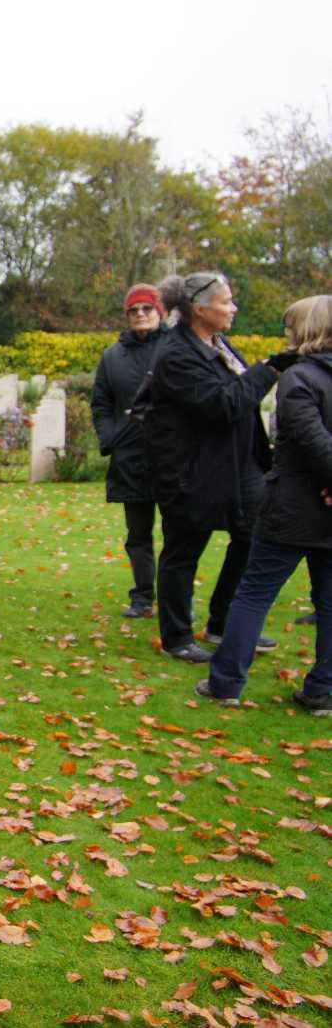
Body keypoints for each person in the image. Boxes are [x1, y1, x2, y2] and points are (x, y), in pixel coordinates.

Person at [146, 271, 290, 664]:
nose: (233, 308)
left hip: (237, 464)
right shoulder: (176, 354)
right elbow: (222, 404)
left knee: (253, 536)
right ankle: (177, 637)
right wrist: (269, 370)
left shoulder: (218, 343)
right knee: (184, 549)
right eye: (226, 301)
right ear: (199, 308)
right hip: (191, 470)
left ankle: (223, 622)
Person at [198, 295, 332, 712]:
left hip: (292, 506)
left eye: (290, 326)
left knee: (254, 592)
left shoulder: (299, 378)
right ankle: (322, 690)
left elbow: (312, 442)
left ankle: (225, 682)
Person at [92, 284, 167, 618]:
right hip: (130, 456)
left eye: (146, 309)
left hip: (172, 456)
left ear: (159, 312)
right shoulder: (113, 356)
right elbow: (101, 402)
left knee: (177, 535)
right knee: (138, 534)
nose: (140, 315)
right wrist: (110, 438)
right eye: (133, 310)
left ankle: (172, 598)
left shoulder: (173, 347)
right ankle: (142, 596)